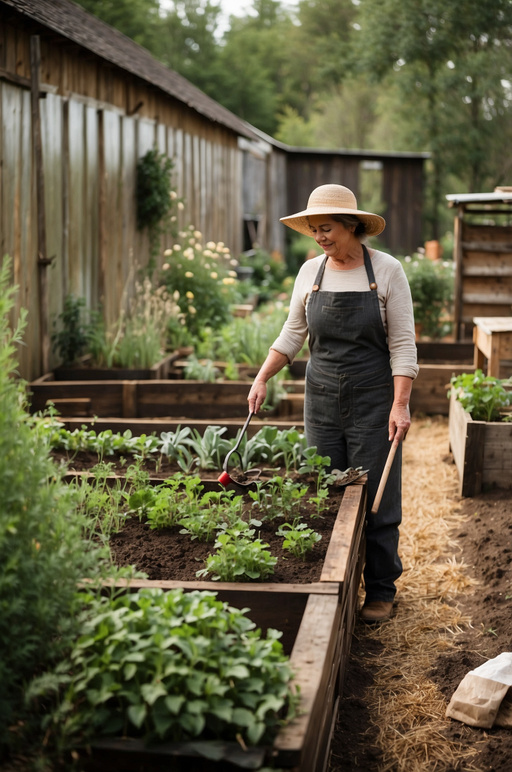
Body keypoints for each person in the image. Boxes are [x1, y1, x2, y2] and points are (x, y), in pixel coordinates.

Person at [247, 183, 418, 623]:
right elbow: (292, 334)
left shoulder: (387, 270)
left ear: (351, 226)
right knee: (324, 494)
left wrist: (400, 404)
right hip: (320, 399)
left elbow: (402, 345)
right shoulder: (311, 273)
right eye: (314, 231)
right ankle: (330, 586)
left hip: (373, 399)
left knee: (377, 498)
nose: (320, 238)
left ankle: (380, 588)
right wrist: (263, 376)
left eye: (326, 229)